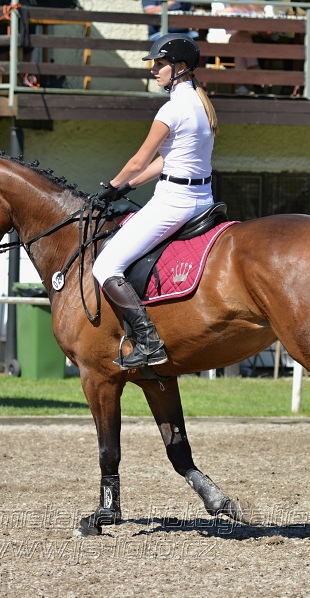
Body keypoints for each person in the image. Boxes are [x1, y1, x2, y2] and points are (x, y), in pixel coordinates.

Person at [92, 33, 218, 370]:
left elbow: (139, 159)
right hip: (203, 199)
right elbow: (166, 160)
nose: (154, 71)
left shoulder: (172, 108)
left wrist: (111, 187)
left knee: (104, 266)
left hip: (174, 201)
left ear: (179, 67)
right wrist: (128, 187)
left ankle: (148, 341)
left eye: (160, 64)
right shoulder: (202, 106)